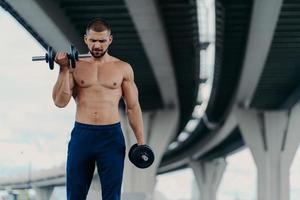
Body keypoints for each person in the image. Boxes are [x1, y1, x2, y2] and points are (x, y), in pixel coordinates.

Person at [52, 18, 145, 200]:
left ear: (110, 40)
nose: (97, 45)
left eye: (102, 41)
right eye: (93, 40)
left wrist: (141, 143)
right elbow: (59, 102)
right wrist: (63, 70)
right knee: (75, 196)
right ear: (86, 39)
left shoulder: (123, 68)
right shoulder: (74, 66)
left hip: (111, 137)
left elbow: (133, 108)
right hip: (82, 136)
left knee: (112, 197)